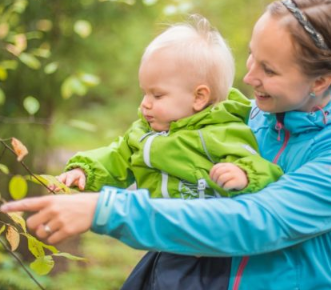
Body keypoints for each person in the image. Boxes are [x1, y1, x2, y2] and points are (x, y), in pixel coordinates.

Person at [1, 0, 331, 290]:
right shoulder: (248, 115)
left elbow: (257, 222)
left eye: (268, 69)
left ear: (321, 81)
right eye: (251, 57)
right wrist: (92, 173)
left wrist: (107, 210)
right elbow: (140, 150)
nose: (249, 78)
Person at [53, 16, 282, 201]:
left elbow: (262, 168)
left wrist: (243, 175)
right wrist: (84, 171)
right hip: (163, 240)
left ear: (199, 97)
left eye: (157, 95)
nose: (145, 103)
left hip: (206, 247)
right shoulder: (144, 134)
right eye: (145, 92)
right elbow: (116, 158)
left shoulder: (222, 132)